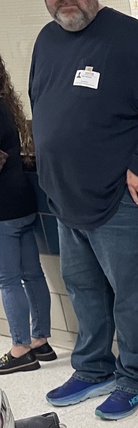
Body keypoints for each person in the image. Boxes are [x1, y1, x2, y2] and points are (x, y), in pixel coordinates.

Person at [30, 0, 138, 420]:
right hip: (67, 198)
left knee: (133, 299)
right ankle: (93, 368)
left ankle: (135, 378)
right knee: (84, 292)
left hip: (124, 200)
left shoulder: (128, 38)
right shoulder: (46, 41)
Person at [0, 54, 55, 374]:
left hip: (3, 209)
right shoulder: (5, 106)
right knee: (32, 274)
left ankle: (19, 348)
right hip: (21, 201)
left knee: (8, 280)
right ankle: (40, 341)